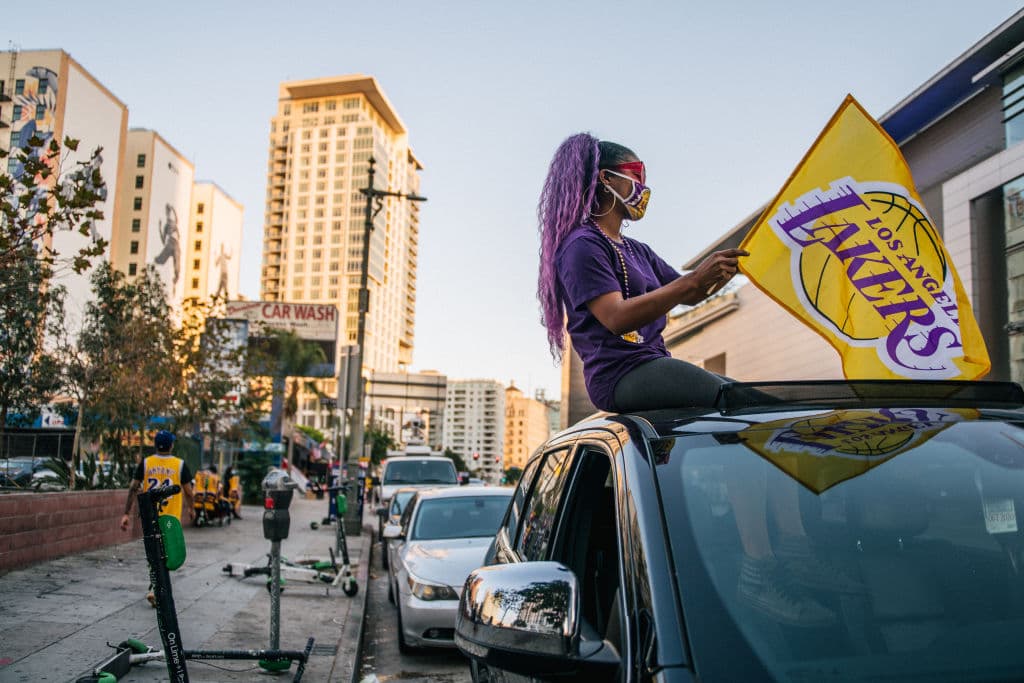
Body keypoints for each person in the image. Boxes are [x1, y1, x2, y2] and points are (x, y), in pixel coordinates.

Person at [537, 133, 747, 412]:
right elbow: (615, 316)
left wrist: (733, 265)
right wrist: (694, 279)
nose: (643, 188)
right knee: (742, 401)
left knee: (750, 400)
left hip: (650, 363)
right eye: (636, 175)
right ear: (606, 178)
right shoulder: (582, 245)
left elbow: (693, 293)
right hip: (621, 374)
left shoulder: (638, 250)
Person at [120, 430, 194, 606]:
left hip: (149, 516)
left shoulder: (146, 463)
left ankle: (155, 587)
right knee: (166, 553)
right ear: (171, 445)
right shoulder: (180, 465)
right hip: (170, 518)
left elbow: (133, 488)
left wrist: (126, 514)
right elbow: (189, 492)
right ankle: (156, 588)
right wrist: (191, 508)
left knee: (154, 552)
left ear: (155, 445)